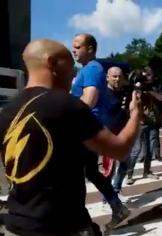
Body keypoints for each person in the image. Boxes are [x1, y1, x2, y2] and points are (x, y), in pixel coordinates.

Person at [0, 39, 141, 235]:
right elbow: (120, 149)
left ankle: (116, 206)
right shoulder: (65, 104)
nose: (73, 73)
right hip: (63, 226)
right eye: (69, 65)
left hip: (16, 225)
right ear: (52, 63)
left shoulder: (7, 111)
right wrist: (136, 114)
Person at [71, 33, 129, 227]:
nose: (74, 50)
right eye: (74, 46)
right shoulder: (87, 69)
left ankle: (82, 224)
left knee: (74, 174)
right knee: (90, 172)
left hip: (85, 129)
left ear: (91, 49)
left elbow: (89, 100)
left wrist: (61, 110)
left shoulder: (92, 69)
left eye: (78, 46)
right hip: (88, 128)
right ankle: (117, 207)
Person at [127, 68, 162, 185]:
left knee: (148, 150)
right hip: (140, 123)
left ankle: (147, 171)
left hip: (151, 122)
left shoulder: (152, 88)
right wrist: (138, 90)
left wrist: (148, 91)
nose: (148, 77)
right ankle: (129, 174)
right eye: (145, 75)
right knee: (136, 150)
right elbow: (134, 105)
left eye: (149, 75)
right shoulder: (136, 90)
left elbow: (161, 98)